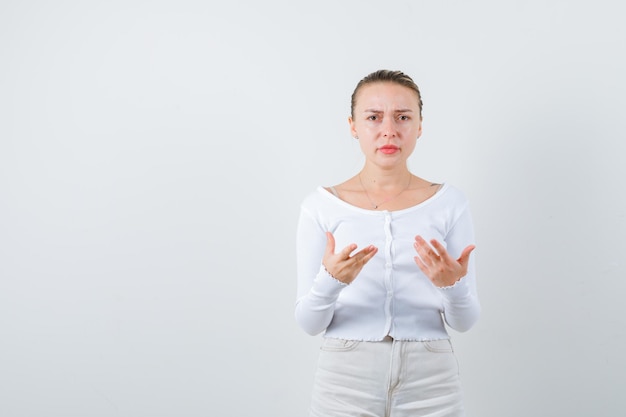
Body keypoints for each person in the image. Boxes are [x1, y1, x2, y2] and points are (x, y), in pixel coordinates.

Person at [295, 69, 480, 417]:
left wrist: (452, 286)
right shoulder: (320, 205)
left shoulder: (450, 203)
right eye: (373, 117)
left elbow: (465, 321)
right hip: (344, 379)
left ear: (420, 126)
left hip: (432, 380)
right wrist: (330, 281)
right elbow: (308, 322)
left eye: (403, 117)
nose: (389, 130)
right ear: (353, 125)